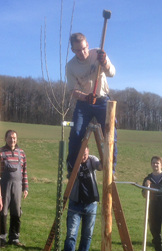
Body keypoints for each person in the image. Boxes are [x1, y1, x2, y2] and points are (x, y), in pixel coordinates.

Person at [66, 32, 117, 175]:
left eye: (83, 48)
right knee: (76, 132)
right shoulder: (71, 66)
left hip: (102, 101)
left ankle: (110, 168)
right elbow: (72, 90)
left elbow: (112, 73)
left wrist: (105, 62)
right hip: (84, 103)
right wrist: (86, 97)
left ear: (87, 45)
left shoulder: (98, 53)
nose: (82, 52)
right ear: (72, 50)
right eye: (77, 50)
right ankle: (72, 167)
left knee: (111, 133)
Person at [60, 146, 102, 251]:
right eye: (81, 153)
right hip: (75, 203)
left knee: (87, 235)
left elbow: (100, 166)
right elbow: (71, 170)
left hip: (91, 203)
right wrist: (77, 160)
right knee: (71, 234)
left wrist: (106, 157)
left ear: (88, 152)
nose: (83, 156)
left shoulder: (91, 160)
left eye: (85, 153)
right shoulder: (73, 161)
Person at [0, 130, 28, 248]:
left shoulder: (21, 153)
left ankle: (14, 238)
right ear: (5, 138)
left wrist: (25, 188)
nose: (13, 140)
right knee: (3, 212)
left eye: (14, 138)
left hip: (17, 186)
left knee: (16, 212)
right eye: (10, 138)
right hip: (4, 186)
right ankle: (1, 238)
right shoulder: (0, 152)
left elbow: (24, 172)